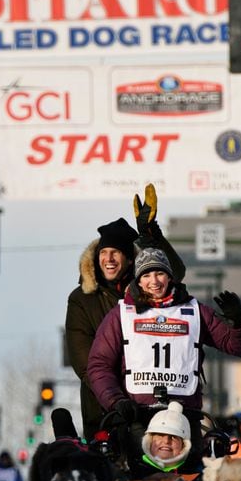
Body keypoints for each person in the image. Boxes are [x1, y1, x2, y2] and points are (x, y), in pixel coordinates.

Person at [86, 247, 241, 474]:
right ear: (138, 279)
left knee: (191, 479)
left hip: (185, 414)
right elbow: (99, 365)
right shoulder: (122, 314)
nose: (153, 281)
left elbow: (237, 345)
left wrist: (239, 322)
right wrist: (116, 401)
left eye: (159, 274)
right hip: (138, 415)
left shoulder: (194, 311)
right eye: (146, 275)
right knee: (143, 479)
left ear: (169, 276)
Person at [65, 186, 186, 441]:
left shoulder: (148, 291)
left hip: (154, 406)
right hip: (105, 410)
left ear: (129, 259)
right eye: (103, 253)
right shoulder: (81, 300)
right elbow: (86, 364)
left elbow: (173, 272)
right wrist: (116, 398)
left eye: (115, 253)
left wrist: (151, 236)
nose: (108, 259)